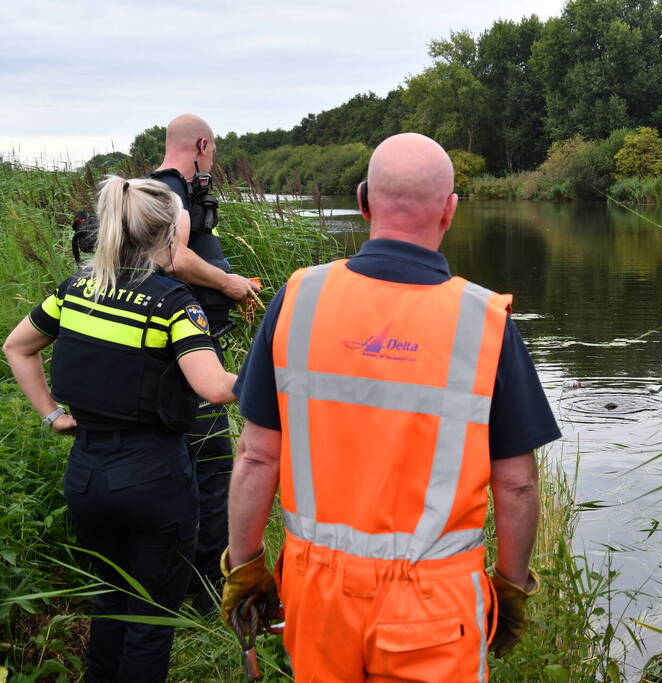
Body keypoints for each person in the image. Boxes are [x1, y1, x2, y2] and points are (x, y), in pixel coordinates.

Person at [220, 133, 562, 681]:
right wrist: (512, 585)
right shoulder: (484, 322)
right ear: (450, 210)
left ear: (362, 200)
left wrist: (245, 564)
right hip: (436, 600)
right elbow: (517, 484)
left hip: (318, 595)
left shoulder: (299, 299)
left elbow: (257, 457)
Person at [3, 175, 238, 681]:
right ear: (171, 234)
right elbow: (215, 387)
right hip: (154, 480)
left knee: (111, 597)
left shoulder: (76, 290)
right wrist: (281, 372)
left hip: (86, 475)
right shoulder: (174, 303)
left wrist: (52, 414)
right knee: (151, 618)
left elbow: (16, 347)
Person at [150, 113, 260, 611]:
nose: (210, 163)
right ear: (201, 145)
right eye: (212, 153)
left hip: (177, 347)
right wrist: (228, 283)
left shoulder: (148, 191)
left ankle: (178, 575)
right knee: (213, 459)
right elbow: (172, 258)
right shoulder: (171, 192)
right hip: (187, 352)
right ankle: (207, 589)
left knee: (185, 457)